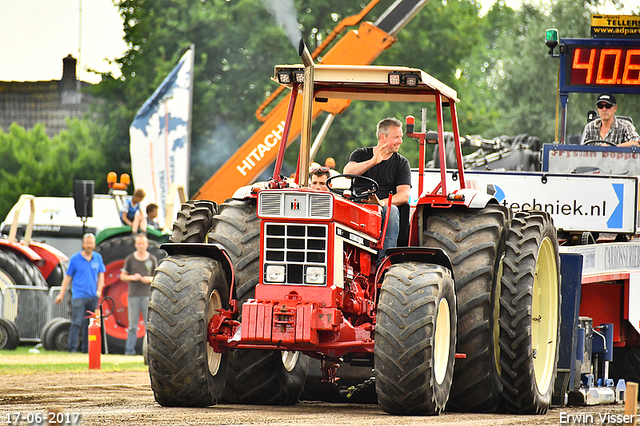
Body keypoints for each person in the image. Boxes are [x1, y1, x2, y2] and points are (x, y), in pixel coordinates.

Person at [343, 117, 411, 259]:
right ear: (382, 137)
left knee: (391, 210)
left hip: (383, 207)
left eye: (401, 137)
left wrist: (381, 203)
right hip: (359, 204)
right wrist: (373, 162)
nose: (400, 141)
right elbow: (347, 173)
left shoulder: (401, 163)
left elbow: (404, 195)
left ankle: (384, 260)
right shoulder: (361, 154)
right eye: (396, 137)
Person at [55, 233, 105, 353]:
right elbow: (68, 277)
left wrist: (99, 291)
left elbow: (101, 275)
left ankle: (86, 349)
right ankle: (72, 348)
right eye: (87, 243)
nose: (89, 245)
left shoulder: (98, 258)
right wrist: (61, 293)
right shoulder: (75, 258)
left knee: (90, 323)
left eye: (91, 243)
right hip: (78, 296)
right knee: (77, 322)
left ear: (94, 244)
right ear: (83, 244)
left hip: (92, 296)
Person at [120, 234, 158, 356]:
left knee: (149, 324)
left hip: (148, 296)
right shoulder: (130, 259)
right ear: (136, 245)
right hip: (133, 296)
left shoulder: (152, 259)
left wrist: (149, 279)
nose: (141, 246)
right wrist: (133, 277)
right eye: (139, 243)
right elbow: (122, 276)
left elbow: (157, 278)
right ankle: (129, 350)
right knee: (132, 325)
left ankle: (149, 351)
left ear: (146, 244)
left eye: (143, 243)